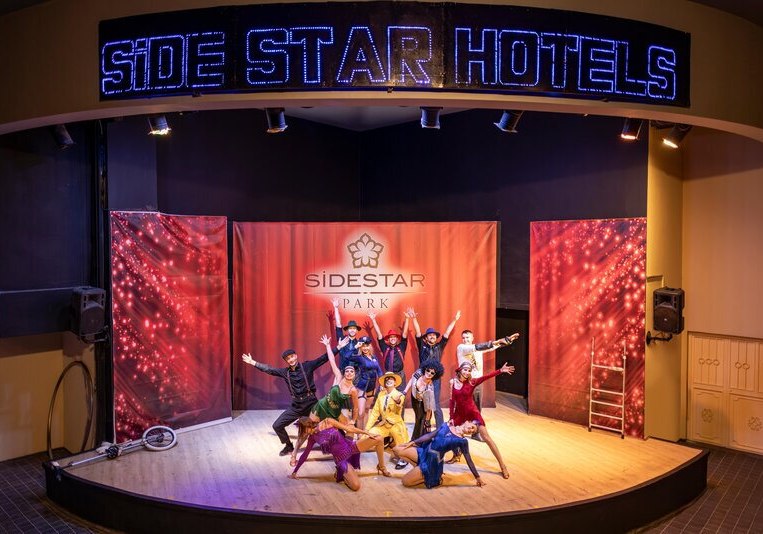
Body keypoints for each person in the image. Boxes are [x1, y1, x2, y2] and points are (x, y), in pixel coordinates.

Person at [242, 342, 331, 456]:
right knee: (277, 425)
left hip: (311, 404)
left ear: (296, 356)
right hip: (296, 406)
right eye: (288, 359)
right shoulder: (285, 372)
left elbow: (323, 359)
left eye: (292, 357)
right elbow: (269, 369)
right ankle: (289, 446)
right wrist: (253, 362)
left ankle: (335, 444)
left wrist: (337, 347)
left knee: (328, 423)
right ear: (286, 361)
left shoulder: (307, 366)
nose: (291, 360)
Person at [449, 361, 515, 478]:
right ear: (460, 370)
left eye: (469, 370)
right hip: (459, 414)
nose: (467, 372)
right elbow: (451, 401)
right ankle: (456, 455)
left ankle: (502, 466)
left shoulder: (472, 382)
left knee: (487, 438)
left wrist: (500, 370)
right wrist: (451, 417)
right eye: (465, 370)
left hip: (473, 414)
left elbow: (486, 377)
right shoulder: (452, 382)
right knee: (452, 434)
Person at [289, 417, 389, 491]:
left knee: (379, 438)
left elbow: (349, 429)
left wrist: (367, 433)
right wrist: (295, 471)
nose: (303, 433)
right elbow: (305, 455)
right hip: (341, 459)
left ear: (308, 426)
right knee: (356, 486)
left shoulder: (328, 421)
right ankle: (341, 472)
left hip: (350, 447)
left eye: (303, 430)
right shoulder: (312, 438)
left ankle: (381, 467)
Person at [392, 421, 485, 489]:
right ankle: (419, 468)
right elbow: (430, 435)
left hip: (432, 462)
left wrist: (478, 477)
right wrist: (413, 442)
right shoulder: (447, 425)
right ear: (467, 422)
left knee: (405, 482)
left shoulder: (462, 441)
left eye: (472, 432)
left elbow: (469, 460)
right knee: (396, 450)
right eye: (472, 427)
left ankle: (432, 477)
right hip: (424, 453)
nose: (470, 430)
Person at [411, 309, 461, 427]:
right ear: (426, 338)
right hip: (423, 378)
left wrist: (455, 320)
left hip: (435, 379)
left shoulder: (439, 346)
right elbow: (418, 333)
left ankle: (440, 427)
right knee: (423, 402)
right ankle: (424, 425)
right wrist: (414, 318)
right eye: (430, 335)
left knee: (435, 403)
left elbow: (447, 333)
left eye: (433, 335)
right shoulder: (422, 345)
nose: (432, 336)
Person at [456, 331, 519, 414]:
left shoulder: (478, 350)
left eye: (467, 337)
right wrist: (498, 341)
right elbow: (478, 347)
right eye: (463, 338)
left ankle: (476, 420)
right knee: (464, 405)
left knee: (477, 406)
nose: (465, 339)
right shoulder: (461, 348)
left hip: (477, 381)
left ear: (472, 338)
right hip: (465, 381)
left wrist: (508, 340)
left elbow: (492, 347)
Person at [366, 372, 410, 469]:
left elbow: (399, 404)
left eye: (391, 378)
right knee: (371, 433)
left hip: (396, 424)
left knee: (399, 436)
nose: (388, 380)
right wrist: (367, 429)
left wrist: (398, 401)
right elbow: (375, 413)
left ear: (395, 383)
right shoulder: (381, 395)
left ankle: (404, 458)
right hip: (384, 425)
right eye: (386, 379)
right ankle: (385, 448)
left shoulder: (399, 395)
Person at [368, 309, 412, 392]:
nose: (392, 339)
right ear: (388, 339)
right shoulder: (385, 347)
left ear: (397, 339)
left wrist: (407, 319)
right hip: (388, 375)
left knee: (400, 395)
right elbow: (379, 334)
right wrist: (373, 320)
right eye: (391, 337)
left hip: (400, 374)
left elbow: (404, 334)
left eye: (394, 337)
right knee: (386, 395)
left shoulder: (401, 346)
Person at [403, 360, 445, 440]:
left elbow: (429, 407)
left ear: (435, 375)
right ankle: (419, 438)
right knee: (418, 418)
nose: (429, 373)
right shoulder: (418, 373)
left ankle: (418, 439)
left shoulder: (430, 388)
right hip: (414, 398)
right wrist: (405, 391)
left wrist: (427, 420)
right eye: (428, 370)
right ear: (425, 369)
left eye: (432, 373)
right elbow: (412, 380)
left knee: (421, 419)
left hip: (423, 402)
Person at [349, 336, 384, 430]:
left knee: (367, 410)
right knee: (360, 413)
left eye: (367, 345)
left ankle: (365, 432)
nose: (365, 348)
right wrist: (355, 347)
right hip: (362, 387)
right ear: (361, 347)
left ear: (370, 346)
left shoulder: (374, 357)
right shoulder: (360, 358)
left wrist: (381, 383)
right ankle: (359, 435)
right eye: (363, 346)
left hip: (372, 388)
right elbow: (348, 356)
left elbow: (379, 371)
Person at [332, 298, 362, 370]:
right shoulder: (342, 339)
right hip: (343, 370)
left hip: (354, 372)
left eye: (354, 328)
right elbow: (338, 324)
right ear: (347, 330)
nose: (352, 330)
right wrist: (336, 308)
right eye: (350, 328)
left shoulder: (359, 343)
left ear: (357, 331)